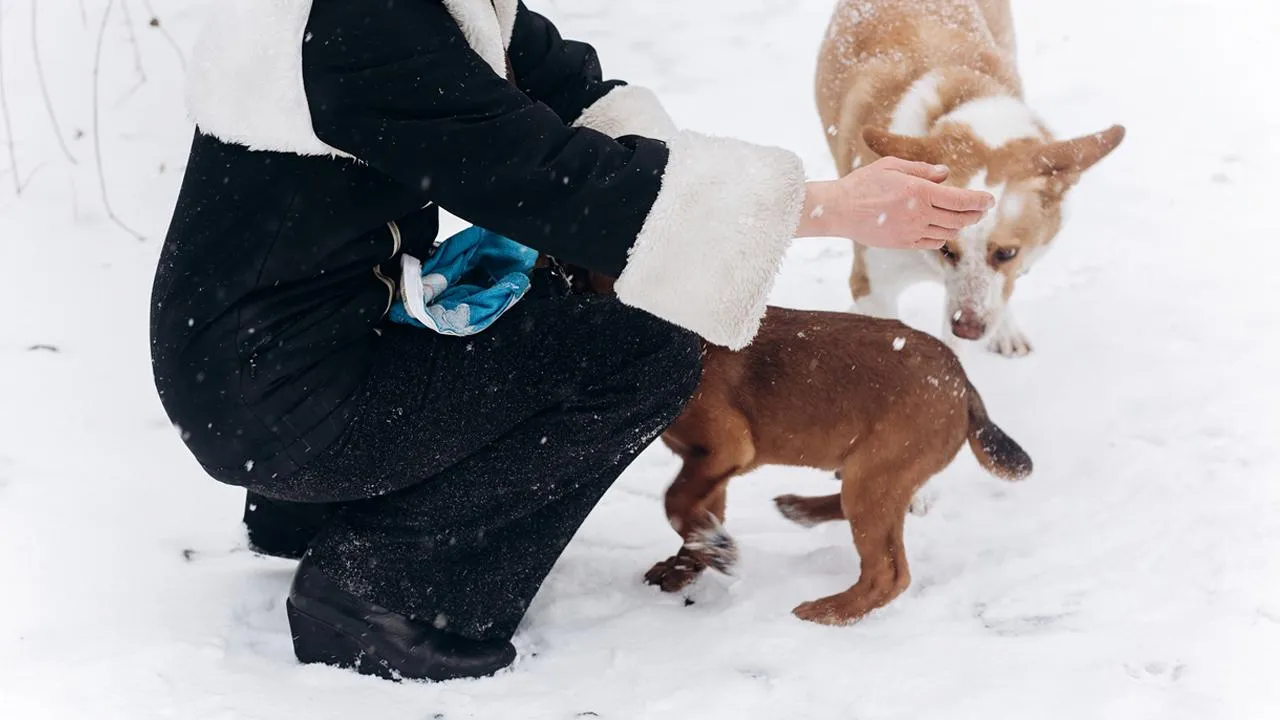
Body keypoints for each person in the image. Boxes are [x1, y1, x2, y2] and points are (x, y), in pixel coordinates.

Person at [150, 0, 994, 683]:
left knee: (573, 288)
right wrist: (825, 207)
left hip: (288, 357)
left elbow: (582, 104)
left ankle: (324, 506)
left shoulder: (422, 10)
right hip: (273, 395)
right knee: (647, 353)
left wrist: (752, 196)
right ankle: (384, 592)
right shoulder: (363, 24)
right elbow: (549, 177)